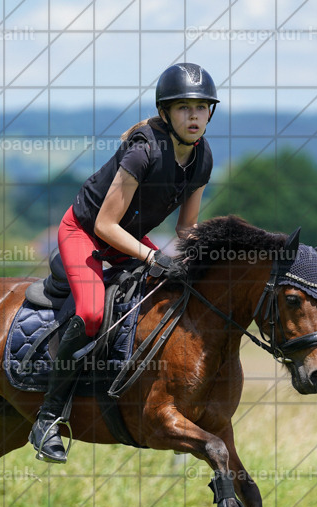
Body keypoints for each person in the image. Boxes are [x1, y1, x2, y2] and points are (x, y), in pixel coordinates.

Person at [30, 62, 219, 464]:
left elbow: (187, 228)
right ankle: (47, 417)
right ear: (165, 112)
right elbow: (104, 223)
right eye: (184, 107)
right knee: (93, 312)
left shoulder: (202, 157)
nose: (194, 116)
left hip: (129, 240)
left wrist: (206, 259)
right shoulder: (144, 150)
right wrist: (153, 256)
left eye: (202, 107)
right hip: (86, 234)